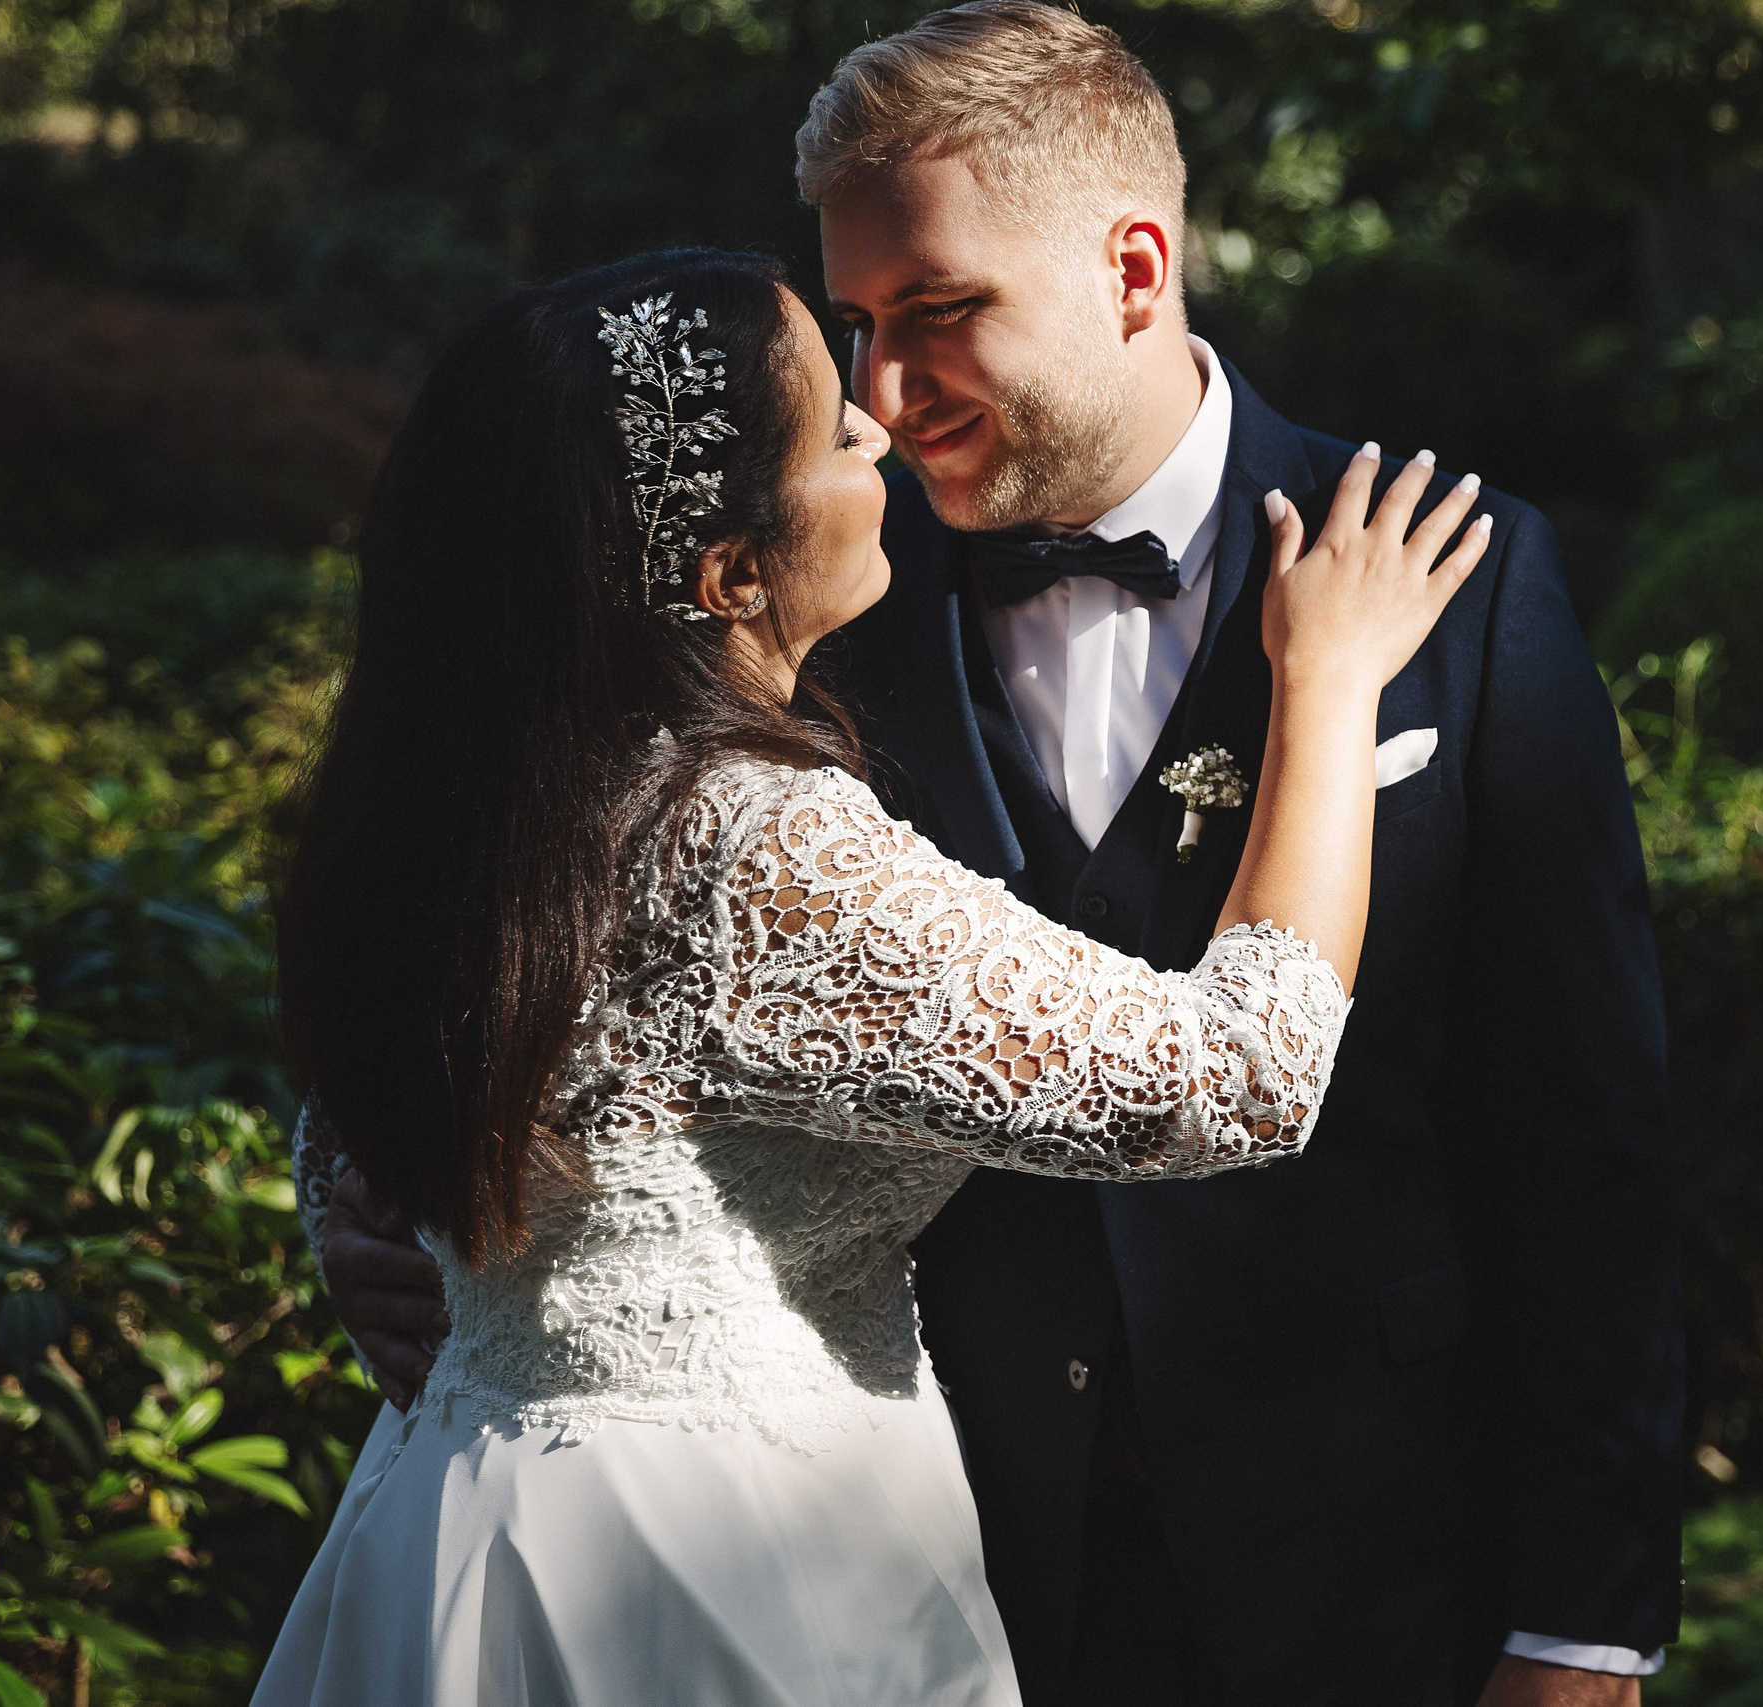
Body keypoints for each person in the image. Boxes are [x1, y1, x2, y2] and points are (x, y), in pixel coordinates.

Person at [318, 4, 1685, 1702]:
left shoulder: (1447, 579)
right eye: (857, 331)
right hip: (920, 1559)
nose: (885, 397)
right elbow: (523, 913)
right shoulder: (801, 610)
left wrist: (1583, 1619)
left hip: (1369, 1565)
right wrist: (374, 1192)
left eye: (941, 313)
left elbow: (1592, 1136)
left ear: (1133, 269)